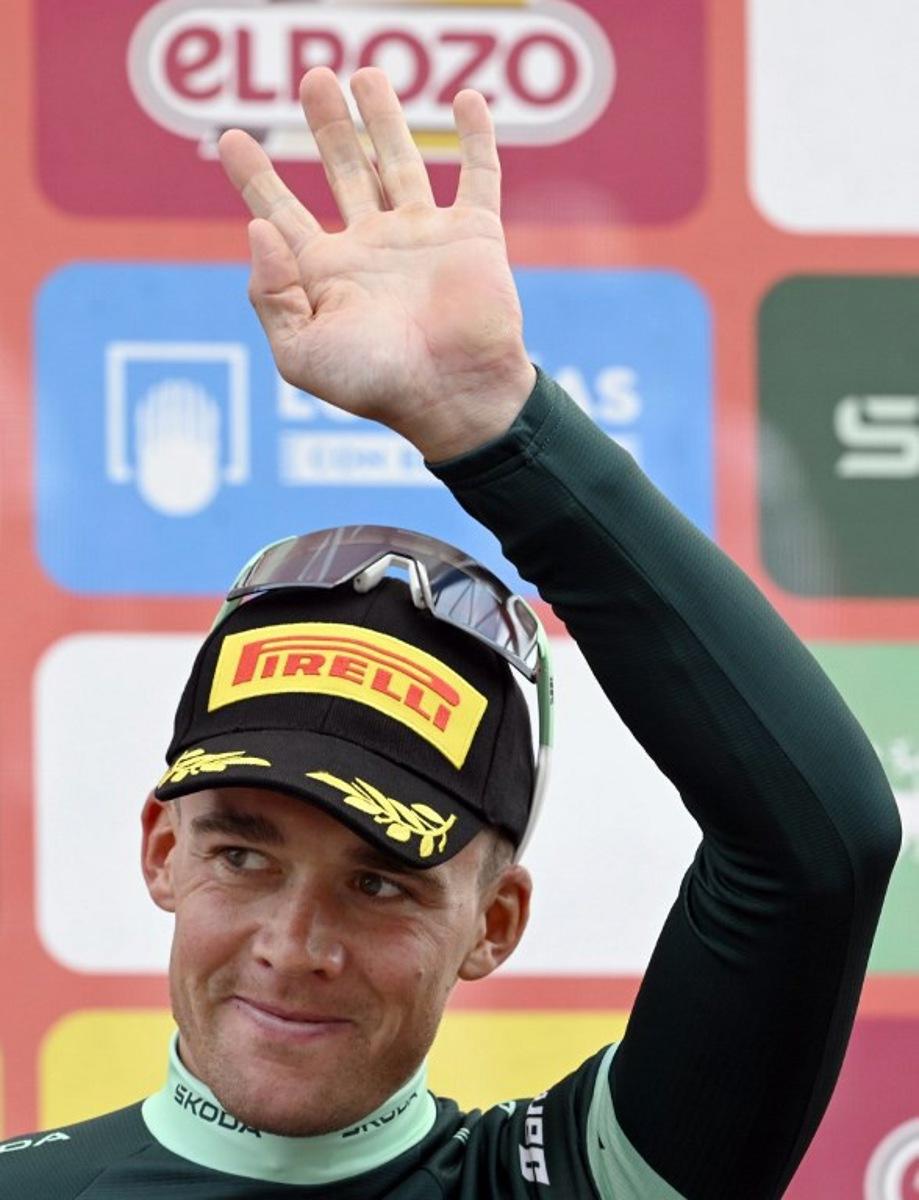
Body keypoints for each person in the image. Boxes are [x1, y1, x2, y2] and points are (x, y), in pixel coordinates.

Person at [2, 67, 901, 1199]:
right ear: (161, 851)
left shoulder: (566, 1184)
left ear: (496, 921)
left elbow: (816, 846)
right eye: (242, 854)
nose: (295, 945)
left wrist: (495, 426)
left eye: (380, 882)